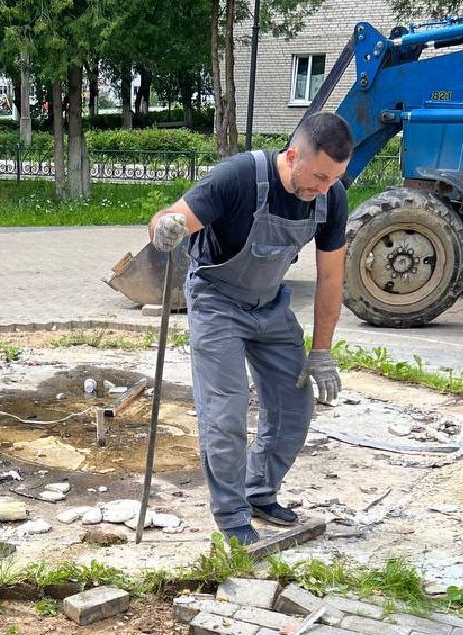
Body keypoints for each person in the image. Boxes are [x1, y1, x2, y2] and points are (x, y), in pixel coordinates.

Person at [148, 110, 352, 546]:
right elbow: (173, 217)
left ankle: (259, 491)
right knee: (226, 410)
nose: (323, 189)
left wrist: (322, 351)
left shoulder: (331, 198)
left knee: (295, 406)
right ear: (293, 155)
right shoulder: (239, 177)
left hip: (270, 306)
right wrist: (164, 229)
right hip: (216, 301)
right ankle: (232, 514)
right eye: (318, 177)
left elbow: (332, 278)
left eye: (333, 179)